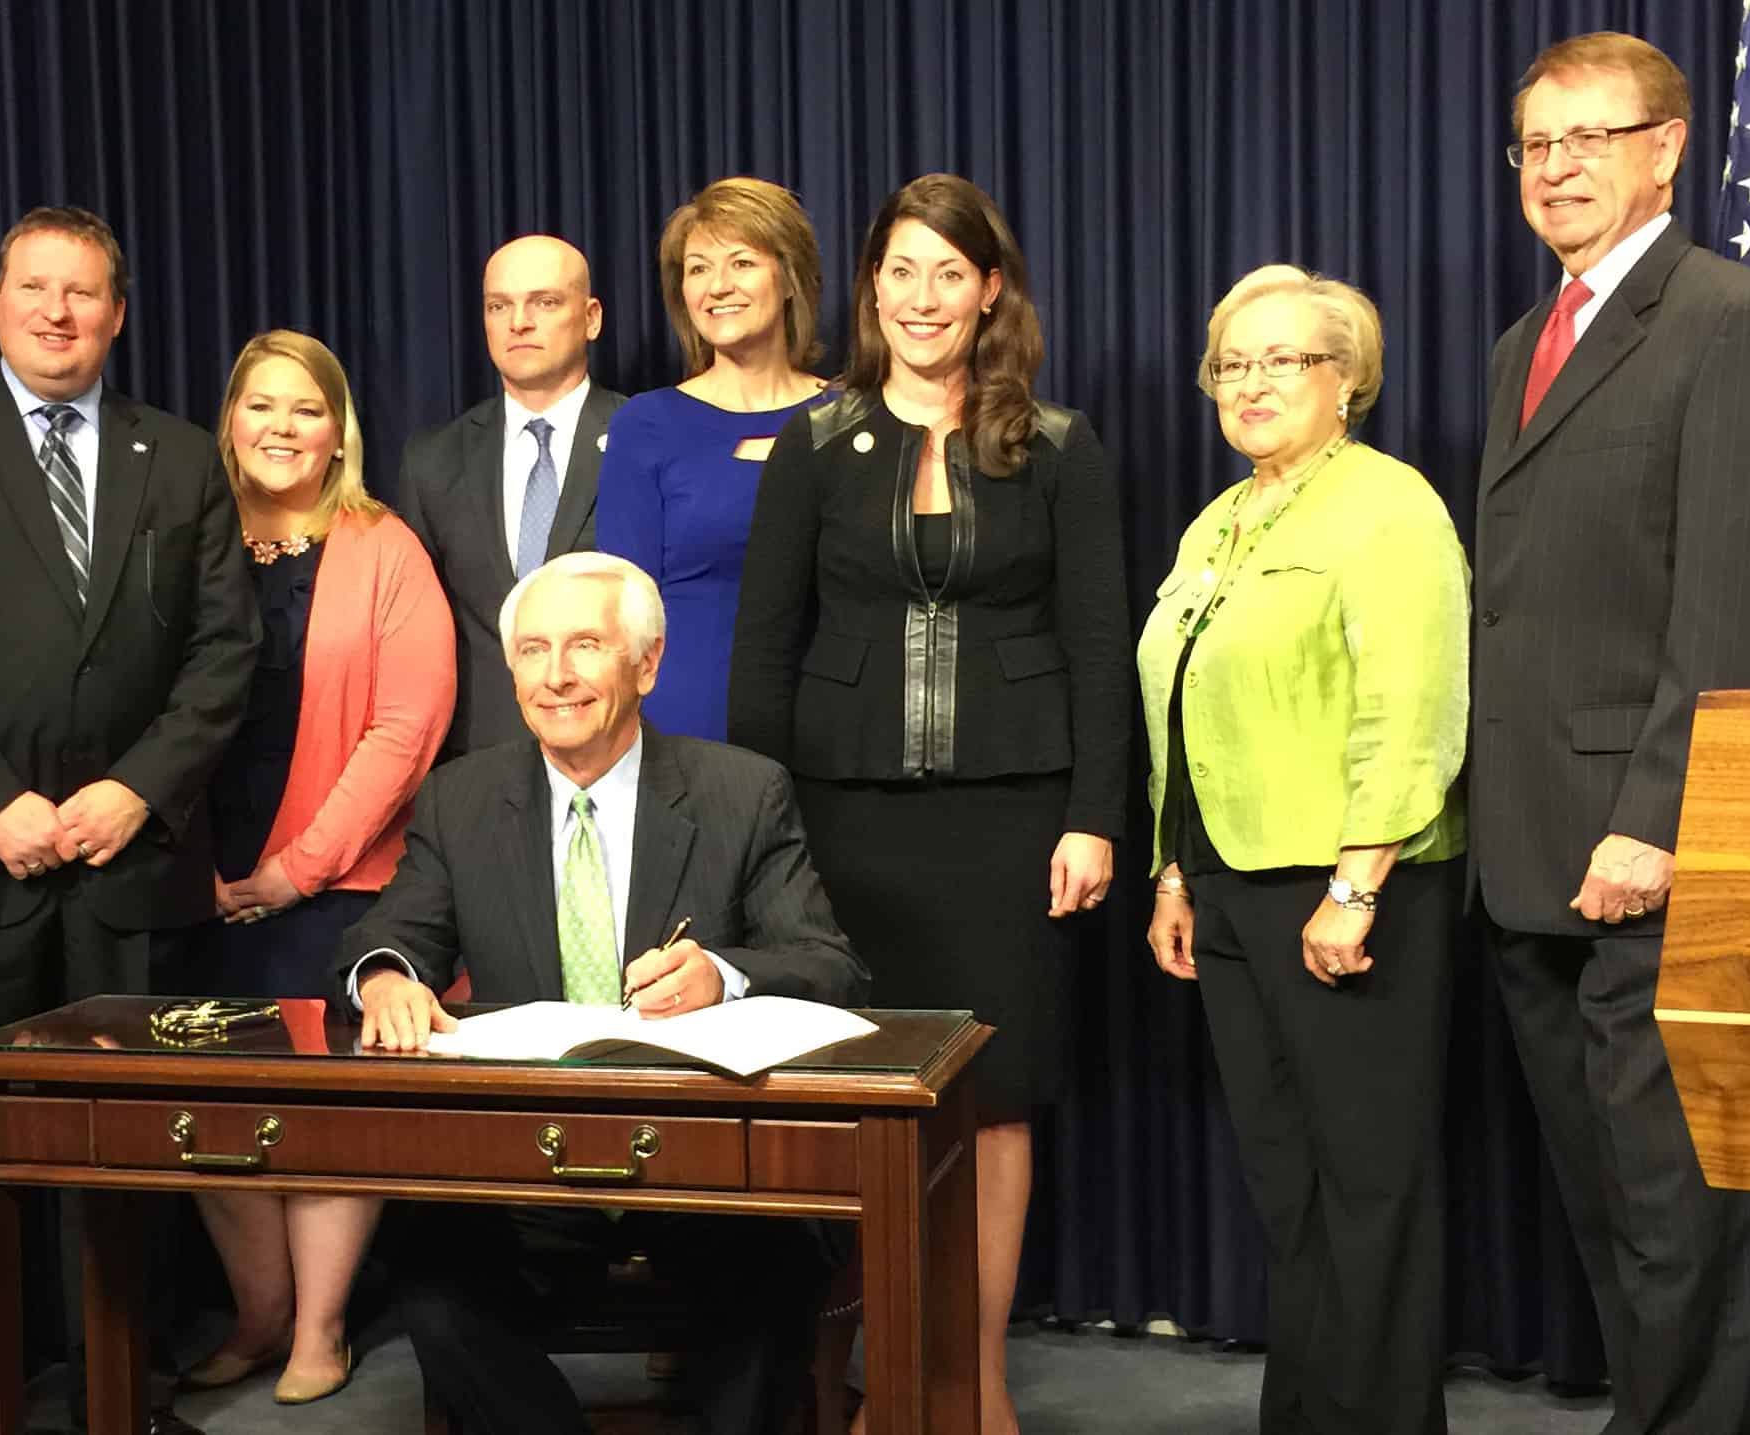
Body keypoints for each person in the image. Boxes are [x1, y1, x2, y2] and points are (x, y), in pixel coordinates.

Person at [0, 205, 254, 1435]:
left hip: (129, 861)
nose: (57, 312)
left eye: (83, 293)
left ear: (117, 313)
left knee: (125, 1156)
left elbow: (225, 649)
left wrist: (139, 787)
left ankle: (121, 1394)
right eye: (35, 288)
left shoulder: (176, 456)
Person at [727, 172, 1132, 1435]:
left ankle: (971, 1377)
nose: (920, 297)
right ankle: (877, 1372)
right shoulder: (812, 443)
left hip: (1012, 824)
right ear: (869, 290)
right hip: (841, 824)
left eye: (946, 273)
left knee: (994, 1103)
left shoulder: (1058, 447)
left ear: (989, 290)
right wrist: (760, 840)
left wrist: (1094, 815)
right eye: (899, 272)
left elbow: (1095, 643)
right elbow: (763, 650)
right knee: (853, 1104)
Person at [1474, 33, 1750, 1435]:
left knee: (1678, 1207)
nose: (1557, 169)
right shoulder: (1520, 346)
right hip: (1527, 849)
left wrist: (1657, 820)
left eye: (1589, 139)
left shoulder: (1728, 315)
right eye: (1536, 146)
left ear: (1668, 147)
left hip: (1642, 846)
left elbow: (1731, 598)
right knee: (1607, 1198)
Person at [336, 551, 867, 1435]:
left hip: (705, 1171)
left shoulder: (742, 790)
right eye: (535, 651)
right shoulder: (461, 799)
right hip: (524, 1173)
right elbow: (392, 934)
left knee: (777, 1270)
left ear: (647, 664)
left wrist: (722, 975)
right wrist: (388, 973)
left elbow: (826, 961)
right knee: (427, 1285)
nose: (557, 676)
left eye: (586, 645)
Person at [1140, 266, 1469, 1435]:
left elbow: (1412, 706)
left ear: (1347, 382)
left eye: (1284, 360)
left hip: (1348, 891)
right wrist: (1173, 871)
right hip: (1230, 891)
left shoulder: (1388, 507)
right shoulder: (1219, 521)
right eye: (1232, 363)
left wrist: (1355, 883)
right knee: (1288, 1187)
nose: (1251, 382)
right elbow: (1180, 707)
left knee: (1369, 1188)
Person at [175, 330, 454, 1404]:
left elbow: (404, 728)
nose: (282, 428)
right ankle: (259, 1313)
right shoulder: (187, 535)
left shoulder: (383, 546)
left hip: (330, 884)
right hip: (191, 879)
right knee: (208, 1109)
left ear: (339, 431)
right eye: (261, 405)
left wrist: (295, 869)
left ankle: (320, 1329)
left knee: (323, 1107)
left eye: (306, 408)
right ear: (229, 421)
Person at [596, 177, 829, 740]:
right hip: (688, 732)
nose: (718, 286)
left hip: (832, 731)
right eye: (698, 268)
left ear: (789, 276)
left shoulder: (853, 420)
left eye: (742, 263)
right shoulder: (645, 426)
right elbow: (625, 608)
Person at [394, 234, 626, 756]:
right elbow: (415, 642)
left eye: (544, 302)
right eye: (500, 306)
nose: (518, 321)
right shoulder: (432, 460)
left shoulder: (644, 438)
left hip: (616, 751)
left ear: (590, 318)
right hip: (477, 763)